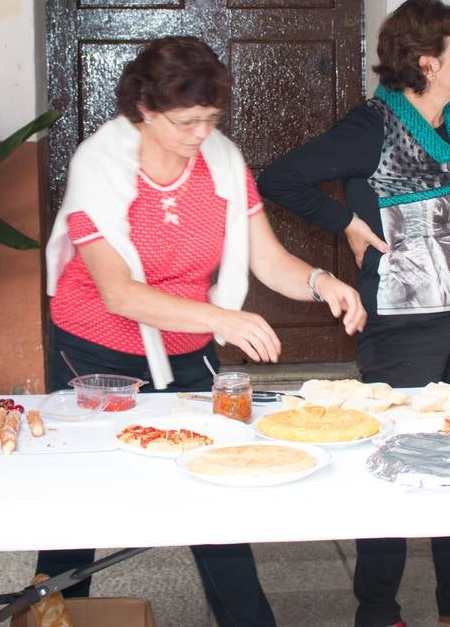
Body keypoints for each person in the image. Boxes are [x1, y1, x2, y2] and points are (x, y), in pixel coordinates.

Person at [39, 36, 365, 626]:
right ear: (143, 108)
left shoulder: (222, 161)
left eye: (211, 119)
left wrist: (323, 282)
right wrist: (222, 318)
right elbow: (118, 292)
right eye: (185, 121)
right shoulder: (101, 163)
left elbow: (267, 259)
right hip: (95, 348)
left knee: (215, 485)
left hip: (186, 347)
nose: (199, 134)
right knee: (83, 497)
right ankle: (51, 612)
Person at [258, 0, 450, 627]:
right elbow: (280, 179)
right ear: (426, 63)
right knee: (396, 458)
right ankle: (377, 612)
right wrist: (348, 222)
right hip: (402, 327)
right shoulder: (371, 127)